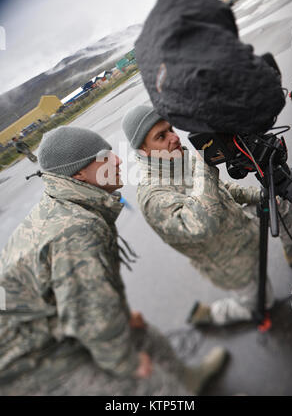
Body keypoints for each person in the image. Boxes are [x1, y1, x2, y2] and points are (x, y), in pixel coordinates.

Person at [0, 126, 227, 396]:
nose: (118, 160)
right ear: (80, 173)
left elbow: (85, 295)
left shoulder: (68, 204)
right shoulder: (74, 231)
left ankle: (190, 381)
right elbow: (91, 316)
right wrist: (126, 363)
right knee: (147, 386)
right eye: (105, 156)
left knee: (145, 336)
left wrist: (121, 317)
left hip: (54, 322)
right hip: (26, 361)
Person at [122, 104, 292, 326]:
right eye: (161, 136)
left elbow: (221, 188)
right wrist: (206, 166)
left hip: (240, 226)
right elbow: (200, 225)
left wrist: (259, 195)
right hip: (229, 262)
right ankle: (211, 314)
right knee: (263, 304)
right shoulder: (153, 195)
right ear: (143, 151)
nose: (174, 138)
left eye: (171, 130)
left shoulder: (179, 158)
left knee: (279, 204)